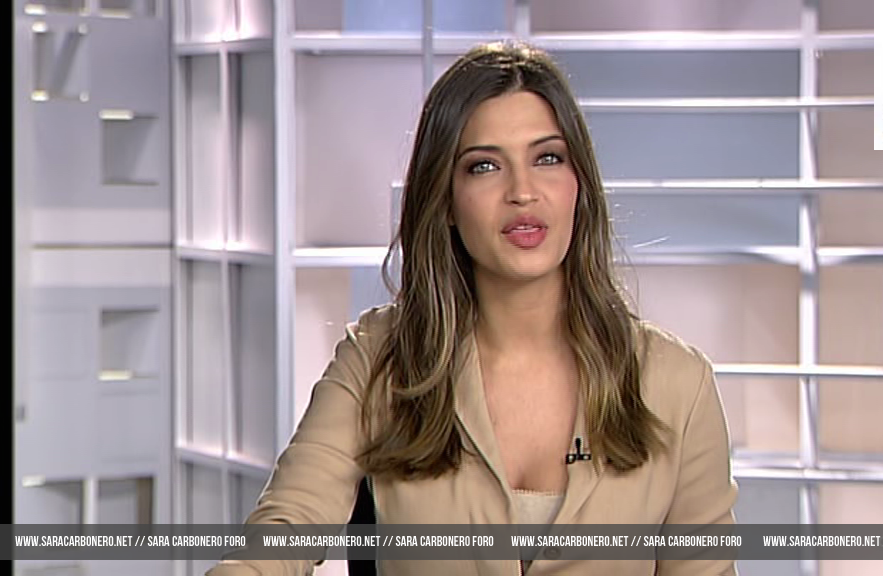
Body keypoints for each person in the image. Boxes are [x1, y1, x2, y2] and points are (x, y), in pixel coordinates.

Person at [206, 40, 738, 576]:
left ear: (579, 185)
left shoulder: (678, 385)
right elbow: (284, 529)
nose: (523, 192)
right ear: (446, 200)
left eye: (547, 158)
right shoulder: (378, 361)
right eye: (484, 166)